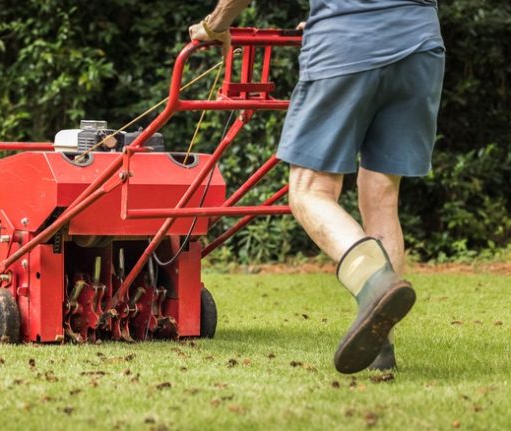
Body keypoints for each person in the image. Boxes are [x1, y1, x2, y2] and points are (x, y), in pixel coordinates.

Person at [190, 0, 445, 374]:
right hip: (421, 47)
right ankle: (381, 345)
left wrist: (214, 25)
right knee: (382, 196)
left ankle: (374, 283)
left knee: (310, 191)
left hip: (346, 45)